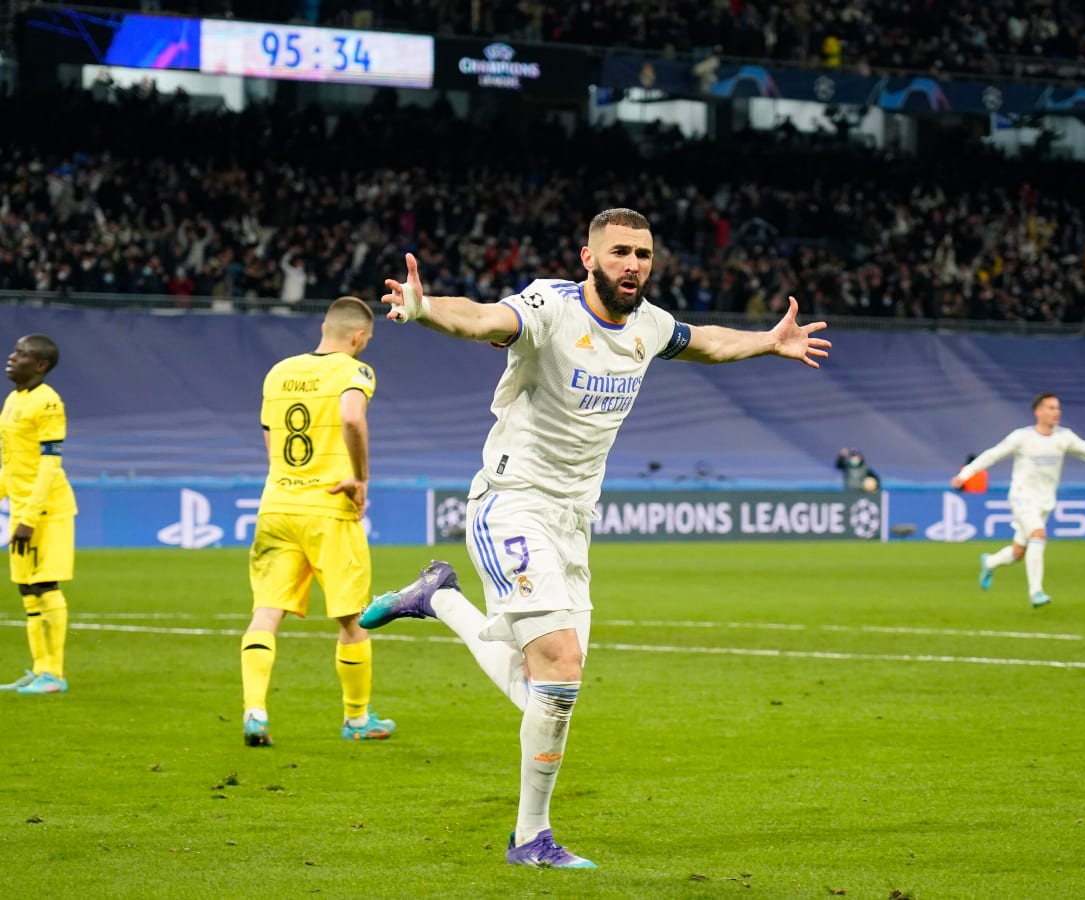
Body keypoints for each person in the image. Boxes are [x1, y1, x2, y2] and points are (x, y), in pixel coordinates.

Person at [358, 208, 831, 868]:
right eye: (619, 252)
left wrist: (768, 341)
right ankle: (530, 839)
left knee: (546, 691)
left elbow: (708, 342)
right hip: (512, 504)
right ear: (588, 257)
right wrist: (427, 306)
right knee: (561, 665)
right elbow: (485, 320)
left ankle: (437, 598)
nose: (633, 263)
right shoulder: (550, 307)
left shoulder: (649, 326)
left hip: (575, 524)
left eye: (642, 253)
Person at [239, 296, 395, 746]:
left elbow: (270, 443)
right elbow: (351, 417)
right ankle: (357, 719)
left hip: (277, 506)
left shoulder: (279, 372)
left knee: (266, 613)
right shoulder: (354, 371)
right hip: (329, 509)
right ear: (359, 337)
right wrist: (360, 478)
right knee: (351, 621)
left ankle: (255, 711)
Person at [951, 393, 1085, 608]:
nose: (1056, 412)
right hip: (1021, 496)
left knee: (1019, 552)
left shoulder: (1064, 438)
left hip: (1045, 502)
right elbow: (992, 455)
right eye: (1051, 408)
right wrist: (965, 474)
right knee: (1038, 534)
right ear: (1038, 412)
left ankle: (989, 562)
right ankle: (1036, 592)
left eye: (1057, 408)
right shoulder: (1022, 438)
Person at [0, 335, 77, 695]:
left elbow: (49, 467)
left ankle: (55, 674)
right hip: (22, 508)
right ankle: (39, 668)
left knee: (46, 586)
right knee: (28, 590)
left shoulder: (48, 403)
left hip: (47, 511)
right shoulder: (14, 400)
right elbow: (13, 463)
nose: (12, 358)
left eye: (22, 354)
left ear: (41, 365)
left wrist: (30, 517)